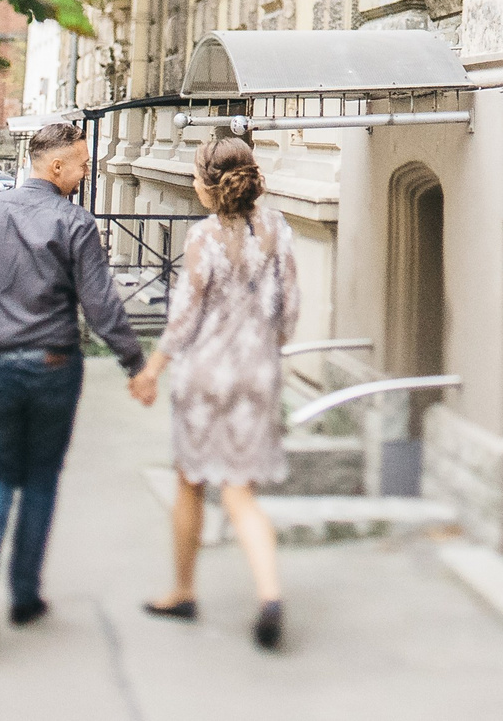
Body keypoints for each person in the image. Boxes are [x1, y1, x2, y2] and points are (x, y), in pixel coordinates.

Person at [0, 121, 145, 643]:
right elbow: (100, 307)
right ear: (56, 167)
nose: (85, 171)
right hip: (52, 365)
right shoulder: (75, 224)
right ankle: (24, 598)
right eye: (82, 164)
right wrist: (134, 363)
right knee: (42, 478)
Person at [131, 135, 299, 650]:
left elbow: (184, 318)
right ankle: (269, 594)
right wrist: (262, 351)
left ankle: (183, 590)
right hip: (257, 376)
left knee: (190, 482)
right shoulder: (280, 233)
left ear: (206, 186)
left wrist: (151, 370)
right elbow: (288, 313)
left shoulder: (203, 239)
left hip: (204, 377)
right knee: (240, 492)